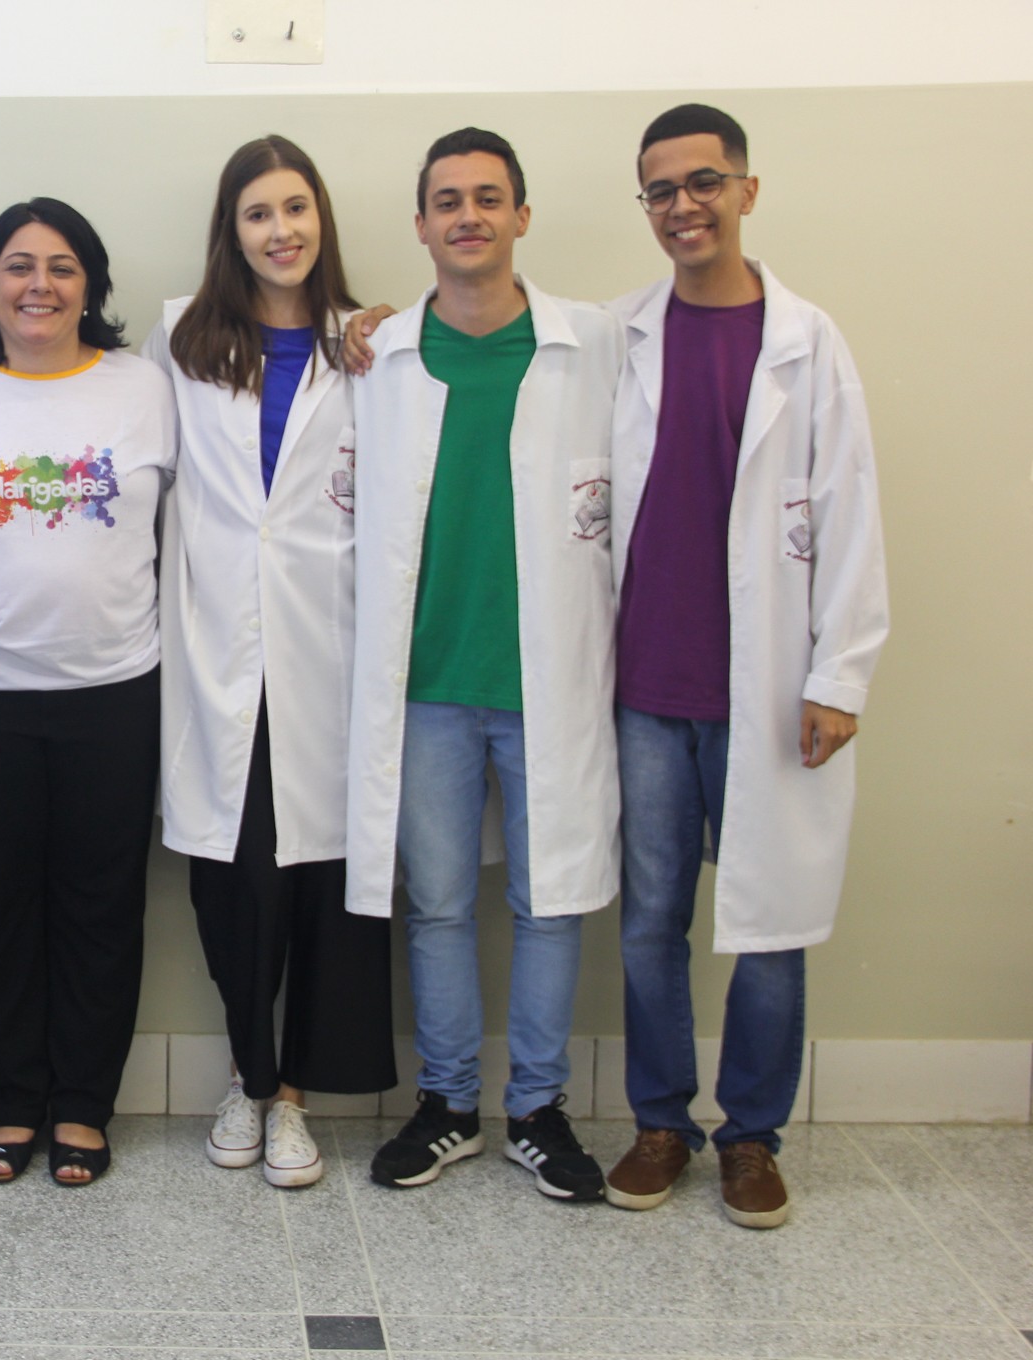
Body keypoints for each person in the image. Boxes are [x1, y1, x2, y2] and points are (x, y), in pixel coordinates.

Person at [603, 104, 889, 1229]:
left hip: (768, 690)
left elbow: (853, 512)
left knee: (769, 919)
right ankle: (661, 1123)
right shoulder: (624, 334)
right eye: (661, 190)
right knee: (650, 920)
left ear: (747, 191)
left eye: (704, 182)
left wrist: (840, 676)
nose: (683, 206)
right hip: (644, 690)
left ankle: (753, 1137)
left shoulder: (808, 343)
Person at [348, 129, 622, 1201]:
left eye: (488, 197)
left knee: (552, 899)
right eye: (448, 200)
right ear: (420, 224)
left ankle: (539, 1110)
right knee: (439, 904)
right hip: (425, 686)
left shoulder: (591, 344)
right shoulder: (378, 355)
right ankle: (451, 1105)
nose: (468, 216)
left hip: (549, 681)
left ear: (521, 216)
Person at [0, 197, 177, 1188]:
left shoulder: (147, 388)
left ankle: (84, 1106)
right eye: (18, 266)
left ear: (90, 285)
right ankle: (11, 1103)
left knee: (103, 905)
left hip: (115, 687)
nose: (39, 285)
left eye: (62, 266)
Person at [143, 136, 396, 1189]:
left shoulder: (373, 343)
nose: (281, 230)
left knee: (325, 884)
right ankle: (247, 1077)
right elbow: (78, 396)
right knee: (234, 884)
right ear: (231, 231)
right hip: (218, 652)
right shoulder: (179, 340)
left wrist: (394, 327)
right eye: (258, 213)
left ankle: (290, 1097)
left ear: (320, 218)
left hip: (331, 652)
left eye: (296, 208)